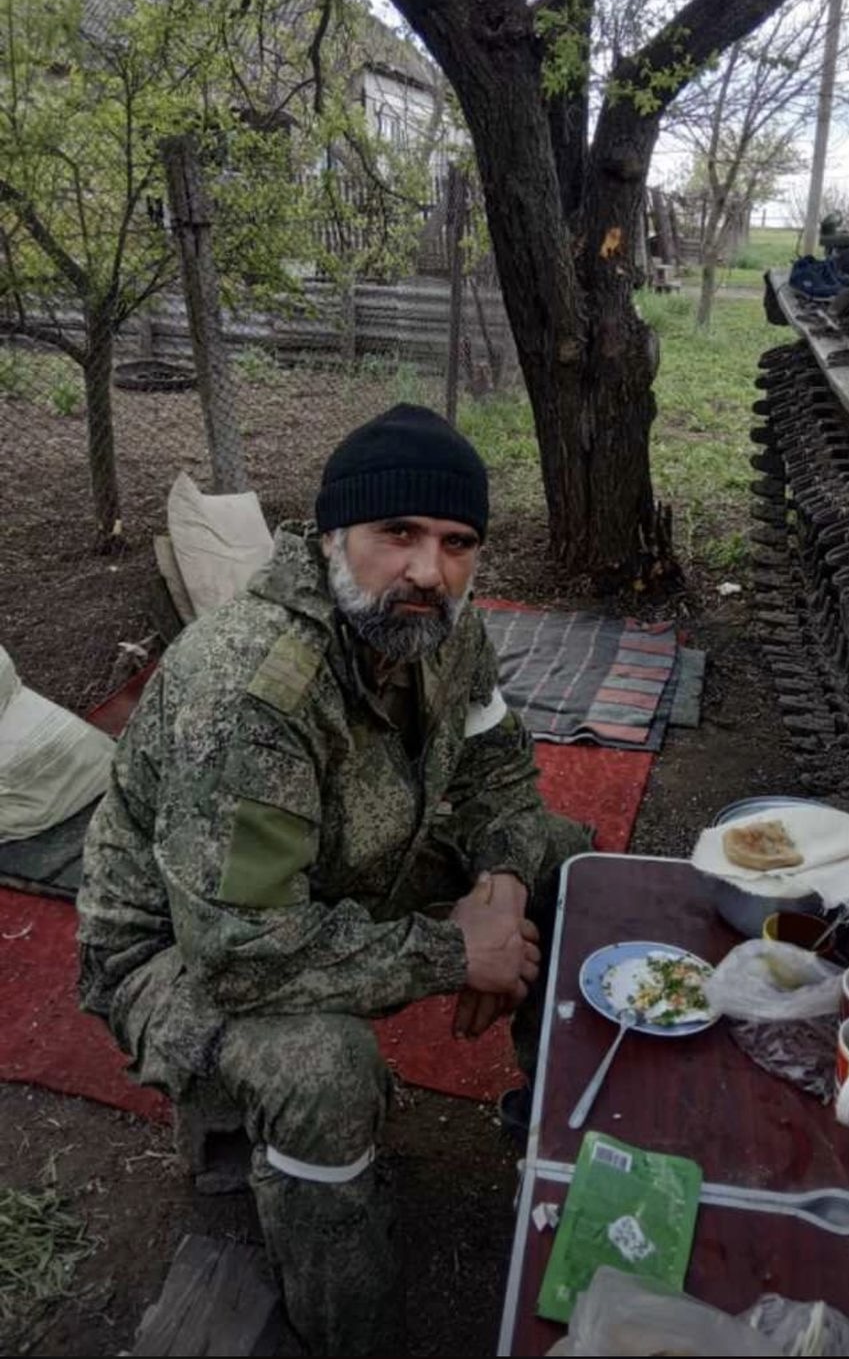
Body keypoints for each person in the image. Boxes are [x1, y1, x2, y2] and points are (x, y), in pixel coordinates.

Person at [76, 404, 588, 1354]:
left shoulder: (445, 629)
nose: (428, 570)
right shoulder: (254, 691)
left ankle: (554, 1132)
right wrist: (453, 952)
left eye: (456, 541)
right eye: (398, 534)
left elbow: (499, 772)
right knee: (326, 1070)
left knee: (569, 858)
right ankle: (348, 1326)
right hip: (175, 950)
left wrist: (506, 889)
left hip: (344, 863)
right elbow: (239, 952)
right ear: (332, 535)